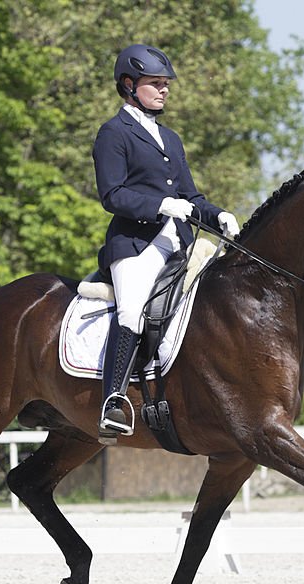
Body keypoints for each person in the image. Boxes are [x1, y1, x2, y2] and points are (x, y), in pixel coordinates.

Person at [92, 43, 240, 442]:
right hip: (136, 245)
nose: (164, 90)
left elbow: (190, 198)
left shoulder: (170, 139)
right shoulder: (113, 133)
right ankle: (114, 400)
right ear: (129, 85)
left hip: (180, 244)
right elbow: (112, 195)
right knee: (133, 309)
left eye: (165, 84)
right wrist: (160, 205)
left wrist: (216, 215)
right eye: (155, 83)